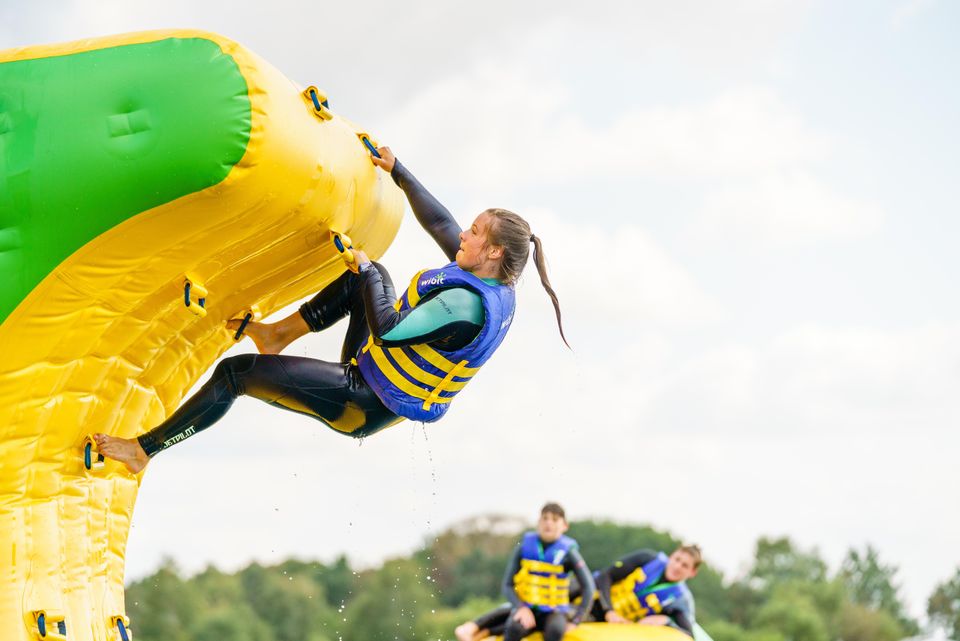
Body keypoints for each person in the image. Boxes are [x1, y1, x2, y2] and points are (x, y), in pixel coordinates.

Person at [94, 147, 567, 473]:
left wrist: (367, 271)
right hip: (374, 374)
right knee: (368, 275)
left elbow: (387, 331)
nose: (464, 233)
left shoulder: (465, 304)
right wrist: (398, 169)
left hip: (361, 402)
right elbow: (440, 221)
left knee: (236, 374)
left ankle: (143, 449)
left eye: (476, 232)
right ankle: (278, 334)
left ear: (494, 252)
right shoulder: (490, 275)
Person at [455, 544, 702, 640]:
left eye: (684, 565)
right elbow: (606, 576)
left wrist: (665, 620)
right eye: (677, 559)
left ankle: (487, 633)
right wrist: (610, 610)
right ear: (672, 555)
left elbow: (688, 633)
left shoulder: (679, 600)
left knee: (552, 621)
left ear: (692, 572)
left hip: (598, 616)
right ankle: (477, 626)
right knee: (540, 605)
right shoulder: (647, 558)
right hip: (590, 593)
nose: (677, 566)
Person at [491, 503, 595, 641]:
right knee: (513, 628)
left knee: (555, 630)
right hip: (527, 607)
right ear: (538, 523)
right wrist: (520, 607)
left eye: (554, 519)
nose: (548, 523)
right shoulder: (523, 548)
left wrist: (577, 620)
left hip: (555, 611)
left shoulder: (569, 553)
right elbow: (507, 584)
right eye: (545, 518)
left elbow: (589, 586)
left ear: (564, 526)